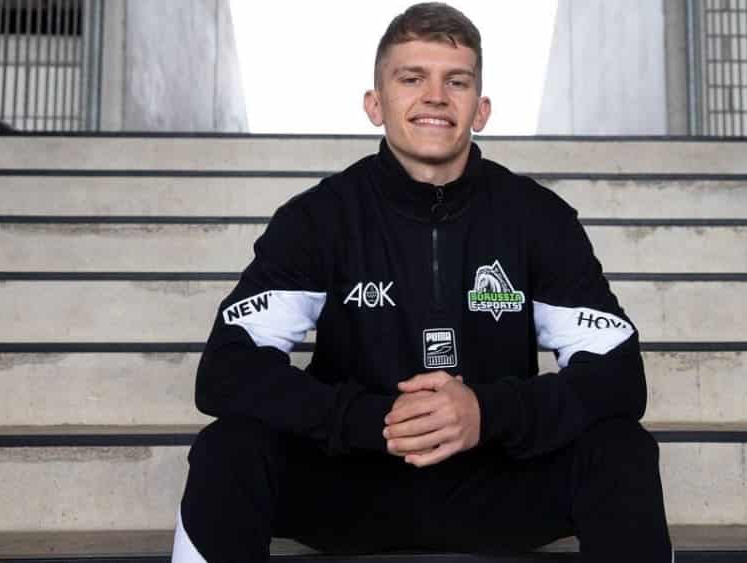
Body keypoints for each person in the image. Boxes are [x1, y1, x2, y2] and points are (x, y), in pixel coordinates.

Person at [172, 3, 671, 561]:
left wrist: (487, 413)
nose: (435, 96)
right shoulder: (319, 218)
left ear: (481, 109)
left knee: (621, 447)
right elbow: (227, 370)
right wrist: (374, 420)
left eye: (456, 82)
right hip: (352, 483)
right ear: (375, 103)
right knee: (229, 446)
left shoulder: (537, 217)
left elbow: (619, 376)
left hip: (496, 484)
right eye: (412, 79)